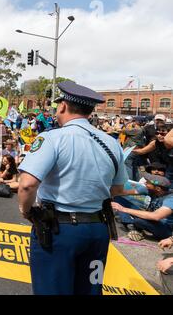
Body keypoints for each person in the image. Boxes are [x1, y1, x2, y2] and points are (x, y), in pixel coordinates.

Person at [18, 81, 128, 295]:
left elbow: (27, 184)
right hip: (97, 230)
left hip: (59, 230)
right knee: (89, 291)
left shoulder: (52, 138)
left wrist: (26, 211)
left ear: (63, 106)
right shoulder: (111, 142)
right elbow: (117, 189)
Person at [112, 173, 173, 241]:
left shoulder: (170, 199)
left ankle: (135, 226)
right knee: (119, 199)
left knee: (139, 220)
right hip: (151, 219)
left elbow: (156, 216)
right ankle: (130, 224)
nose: (145, 183)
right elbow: (123, 192)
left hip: (166, 230)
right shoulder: (151, 190)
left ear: (158, 188)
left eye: (148, 183)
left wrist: (123, 209)